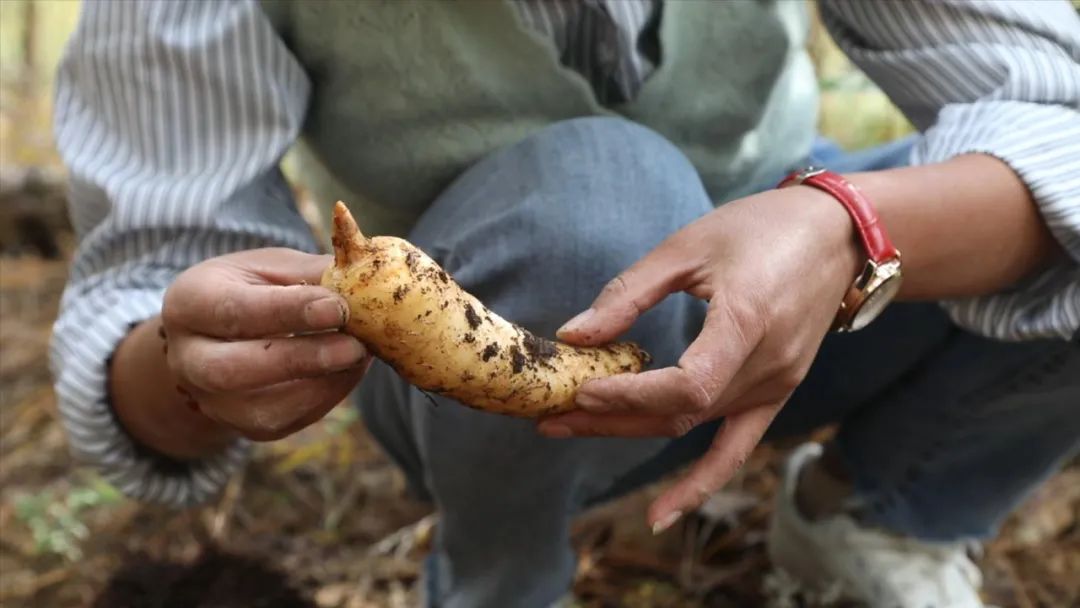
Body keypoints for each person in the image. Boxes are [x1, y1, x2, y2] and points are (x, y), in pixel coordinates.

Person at [51, 1, 1079, 607]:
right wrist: (193, 366)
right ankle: (499, 574)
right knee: (598, 204)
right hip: (484, 391)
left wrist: (849, 225)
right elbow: (148, 291)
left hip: (812, 297)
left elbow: (1055, 107)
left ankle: (881, 509)